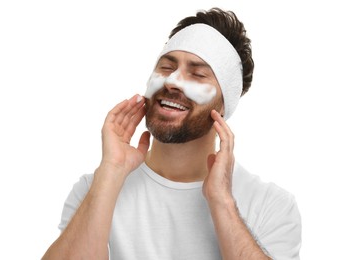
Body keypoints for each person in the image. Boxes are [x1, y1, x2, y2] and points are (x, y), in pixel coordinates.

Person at [42, 7, 301, 260]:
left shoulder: (270, 204)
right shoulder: (96, 189)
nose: (173, 81)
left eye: (198, 74)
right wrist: (110, 172)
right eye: (166, 68)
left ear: (223, 106)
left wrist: (221, 202)